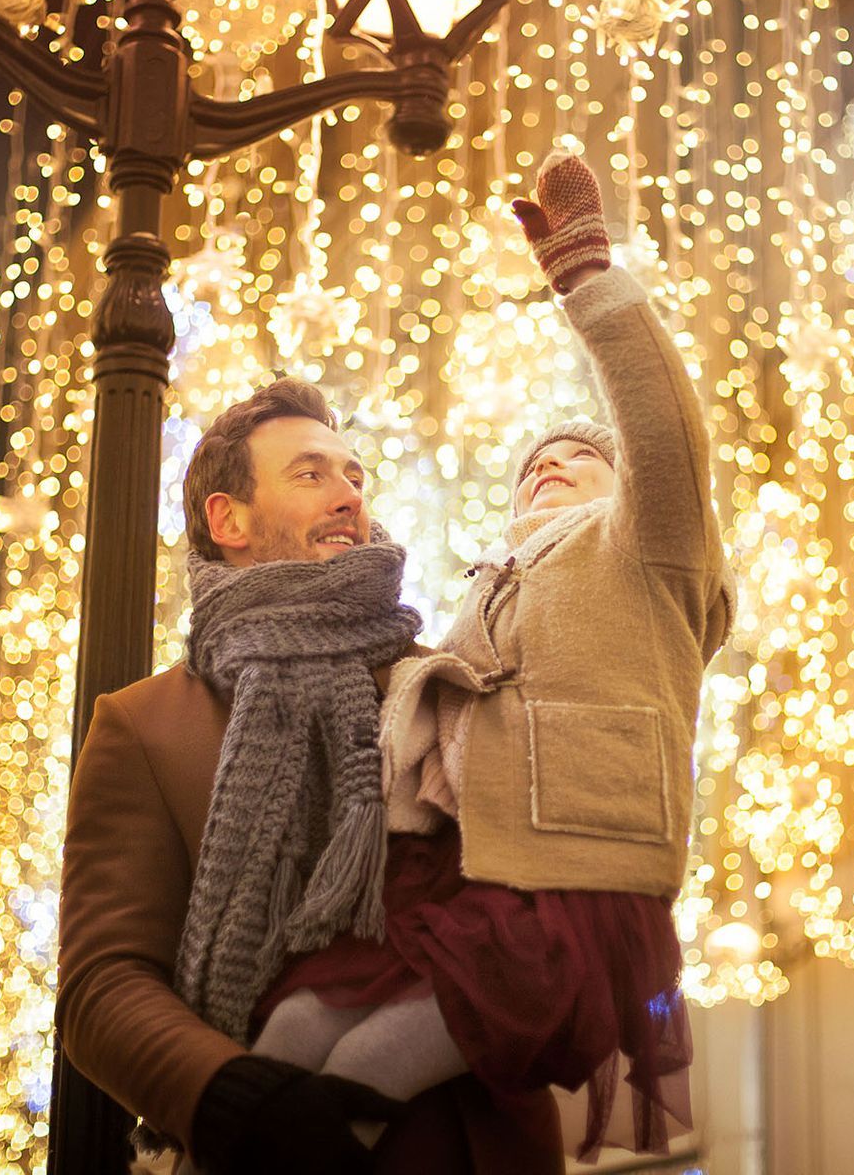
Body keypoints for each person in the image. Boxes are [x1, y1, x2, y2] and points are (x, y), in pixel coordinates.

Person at [246, 150, 733, 1160]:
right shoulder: (490, 593)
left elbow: (662, 429)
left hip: (578, 885)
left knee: (362, 1070)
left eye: (576, 459)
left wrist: (587, 276)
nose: (548, 466)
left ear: (622, 484)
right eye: (530, 471)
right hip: (471, 887)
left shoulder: (644, 544)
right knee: (290, 1035)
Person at [57, 378, 565, 1175]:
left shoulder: (448, 686)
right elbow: (102, 986)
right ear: (228, 519)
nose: (347, 497)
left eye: (354, 477)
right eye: (311, 474)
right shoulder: (147, 725)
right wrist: (234, 1095)